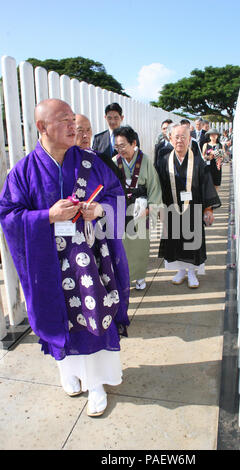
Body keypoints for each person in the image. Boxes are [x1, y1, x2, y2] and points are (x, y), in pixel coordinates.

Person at [0, 99, 130, 417]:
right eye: (64, 120)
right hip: (50, 265)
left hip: (89, 261)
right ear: (42, 127)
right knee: (60, 323)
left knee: (94, 317)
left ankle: (97, 383)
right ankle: (68, 373)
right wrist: (48, 215)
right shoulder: (23, 172)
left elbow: (115, 195)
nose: (73, 125)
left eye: (73, 119)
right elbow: (9, 214)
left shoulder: (91, 162)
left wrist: (98, 210)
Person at [157, 124, 221, 288]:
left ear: (190, 139)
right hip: (172, 208)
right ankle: (180, 271)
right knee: (176, 241)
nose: (180, 140)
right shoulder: (163, 160)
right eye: (176, 137)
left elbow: (207, 185)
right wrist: (159, 208)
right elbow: (159, 186)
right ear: (170, 138)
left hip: (193, 208)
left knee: (193, 242)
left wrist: (208, 209)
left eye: (183, 137)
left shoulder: (198, 161)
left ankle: (192, 272)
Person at [112, 126, 162, 290]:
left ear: (133, 143)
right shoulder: (114, 162)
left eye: (123, 145)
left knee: (140, 246)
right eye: (117, 146)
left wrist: (149, 210)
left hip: (141, 208)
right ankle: (124, 278)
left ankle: (140, 277)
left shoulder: (146, 161)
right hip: (121, 208)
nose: (120, 150)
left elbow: (154, 188)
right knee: (122, 246)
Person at [75, 113, 125, 188]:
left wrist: (119, 200)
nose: (86, 135)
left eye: (88, 130)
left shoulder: (103, 160)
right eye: (80, 130)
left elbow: (119, 187)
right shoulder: (63, 161)